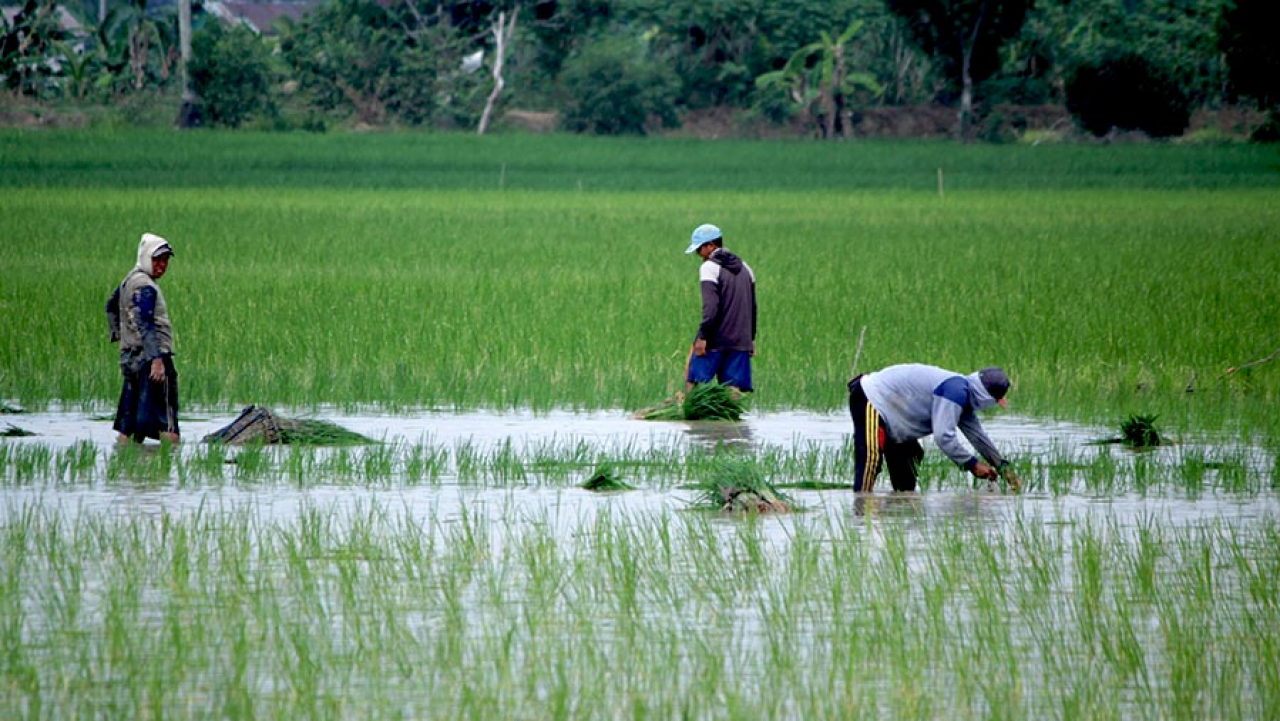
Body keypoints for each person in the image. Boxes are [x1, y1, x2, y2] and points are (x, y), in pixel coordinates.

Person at [847, 364, 1020, 492]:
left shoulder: (964, 396)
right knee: (871, 459)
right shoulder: (956, 391)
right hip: (873, 398)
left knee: (909, 461)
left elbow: (978, 437)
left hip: (898, 415)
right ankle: (861, 514)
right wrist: (972, 464)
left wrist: (1003, 467)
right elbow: (944, 437)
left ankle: (898, 511)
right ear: (986, 397)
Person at [106, 233, 180, 444]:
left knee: (128, 428)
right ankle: (167, 472)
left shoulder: (129, 280)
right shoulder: (145, 287)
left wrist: (120, 336)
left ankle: (126, 469)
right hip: (153, 361)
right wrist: (157, 361)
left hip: (131, 360)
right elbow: (145, 323)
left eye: (165, 260)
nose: (162, 265)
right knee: (168, 426)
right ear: (146, 257)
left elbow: (111, 306)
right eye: (157, 259)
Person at [684, 223, 757, 394]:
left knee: (694, 383)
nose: (697, 254)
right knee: (733, 391)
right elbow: (753, 308)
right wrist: (750, 339)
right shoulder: (747, 268)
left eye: (699, 249)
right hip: (741, 340)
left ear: (710, 246)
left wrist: (702, 337)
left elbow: (711, 308)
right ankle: (728, 420)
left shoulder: (709, 268)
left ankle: (692, 417)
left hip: (715, 338)